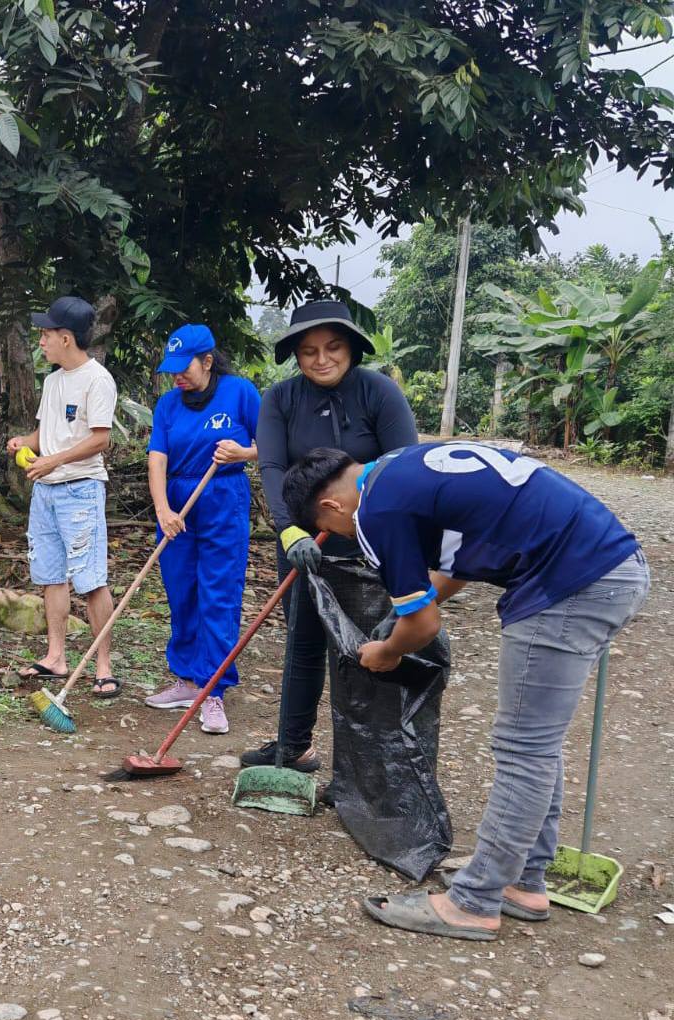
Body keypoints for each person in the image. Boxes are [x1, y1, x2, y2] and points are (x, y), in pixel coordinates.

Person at [282, 442, 648, 940]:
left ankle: (474, 902)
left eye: (336, 530)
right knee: (536, 744)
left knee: (524, 749)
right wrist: (400, 618)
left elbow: (424, 625)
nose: (347, 536)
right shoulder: (397, 469)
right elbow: (454, 566)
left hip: (570, 585)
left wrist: (388, 650)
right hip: (606, 567)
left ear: (331, 505)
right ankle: (523, 879)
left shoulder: (375, 510)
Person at [242, 300, 418, 772]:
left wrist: (377, 531)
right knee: (302, 644)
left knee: (367, 648)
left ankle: (366, 763)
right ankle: (293, 746)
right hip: (303, 544)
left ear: (352, 348)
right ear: (296, 356)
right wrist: (289, 529)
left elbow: (403, 468)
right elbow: (272, 467)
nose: (321, 359)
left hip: (368, 545)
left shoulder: (379, 392)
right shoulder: (280, 399)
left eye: (333, 347)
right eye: (308, 351)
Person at [144, 325, 260, 733]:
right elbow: (157, 458)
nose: (177, 376)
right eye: (172, 369)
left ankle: (213, 690)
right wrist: (163, 509)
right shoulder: (167, 405)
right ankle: (187, 680)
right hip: (177, 502)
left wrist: (242, 452)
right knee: (182, 590)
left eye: (184, 368)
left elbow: (274, 445)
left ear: (208, 361)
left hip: (223, 498)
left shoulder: (240, 393)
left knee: (218, 592)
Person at [7, 296, 120, 696]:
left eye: (46, 334)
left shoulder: (97, 380)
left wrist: (52, 461)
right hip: (46, 491)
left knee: (91, 580)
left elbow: (100, 439)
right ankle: (56, 656)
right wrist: (26, 442)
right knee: (50, 576)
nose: (41, 341)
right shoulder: (53, 380)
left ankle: (103, 666)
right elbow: (45, 433)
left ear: (66, 338)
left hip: (80, 490)